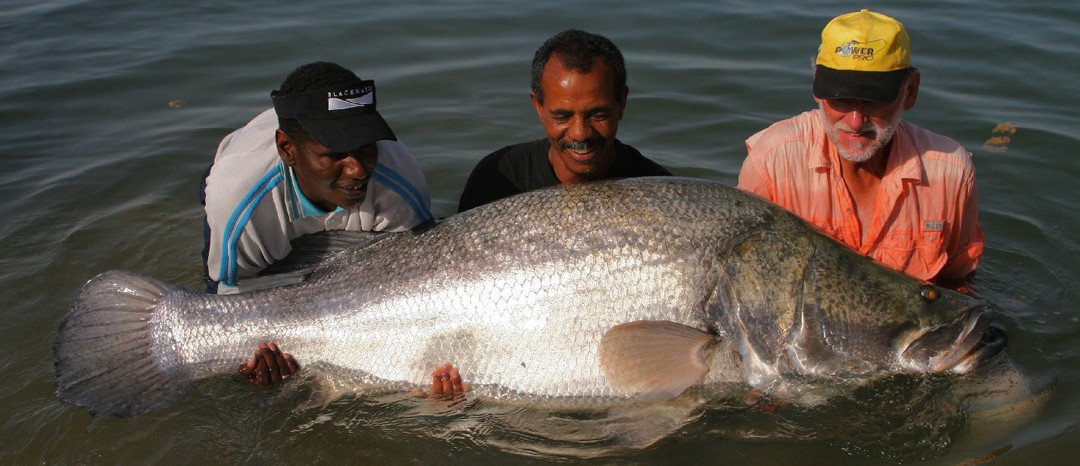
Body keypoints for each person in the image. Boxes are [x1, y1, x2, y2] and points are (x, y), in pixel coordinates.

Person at [737, 10, 984, 287]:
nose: (855, 122)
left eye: (873, 101)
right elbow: (746, 281)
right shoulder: (771, 162)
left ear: (911, 90)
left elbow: (958, 283)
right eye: (840, 99)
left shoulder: (951, 174)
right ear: (817, 87)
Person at [201, 62, 434, 295]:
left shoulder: (401, 182)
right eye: (336, 154)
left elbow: (407, 273)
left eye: (366, 147)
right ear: (287, 150)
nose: (359, 171)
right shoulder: (238, 200)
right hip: (244, 179)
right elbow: (232, 290)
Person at [457, 29, 671, 213]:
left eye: (598, 114)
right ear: (539, 107)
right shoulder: (497, 180)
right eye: (562, 116)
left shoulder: (661, 193)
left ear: (621, 103)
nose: (580, 133)